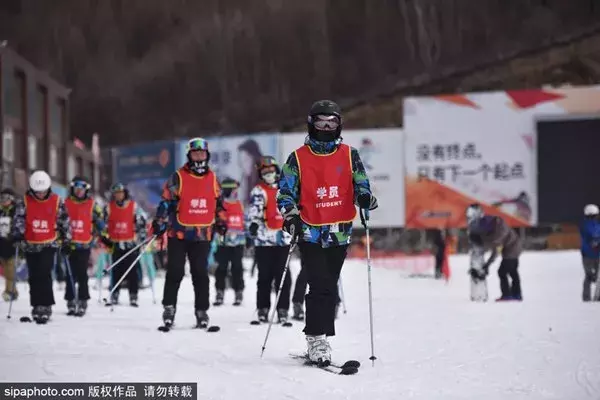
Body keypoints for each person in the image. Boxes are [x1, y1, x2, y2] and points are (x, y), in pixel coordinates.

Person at [277, 100, 377, 365]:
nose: (326, 126)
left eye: (331, 122)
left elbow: (361, 183)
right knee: (319, 283)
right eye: (320, 121)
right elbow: (285, 191)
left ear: (339, 124)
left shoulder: (349, 154)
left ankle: (321, 336)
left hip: (339, 230)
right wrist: (291, 216)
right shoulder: (297, 157)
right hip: (310, 230)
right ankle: (316, 338)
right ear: (311, 124)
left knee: (328, 285)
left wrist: (365, 198)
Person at [152, 137, 227, 329]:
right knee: (175, 271)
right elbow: (166, 201)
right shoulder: (178, 177)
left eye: (202, 153)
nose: (199, 157)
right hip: (178, 233)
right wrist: (159, 221)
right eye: (195, 153)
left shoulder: (213, 178)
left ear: (207, 155)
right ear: (189, 155)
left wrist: (222, 222)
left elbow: (218, 204)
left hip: (202, 234)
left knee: (200, 273)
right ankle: (169, 308)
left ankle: (202, 311)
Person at [12, 170, 72, 323]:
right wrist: (17, 235)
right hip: (30, 243)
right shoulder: (24, 201)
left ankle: (46, 305)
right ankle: (36, 305)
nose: (40, 194)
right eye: (37, 191)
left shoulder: (57, 201)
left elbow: (64, 221)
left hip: (48, 242)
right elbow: (19, 219)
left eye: (43, 191)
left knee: (44, 273)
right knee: (34, 276)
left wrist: (66, 240)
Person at [247, 156, 292, 324]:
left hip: (283, 239)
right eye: (265, 172)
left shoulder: (285, 189)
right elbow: (254, 209)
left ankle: (282, 310)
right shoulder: (258, 190)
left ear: (276, 170)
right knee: (264, 276)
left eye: (271, 171)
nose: (268, 174)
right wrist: (252, 225)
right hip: (264, 240)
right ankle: (262, 309)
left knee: (283, 276)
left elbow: (292, 208)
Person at [63, 176, 107, 316]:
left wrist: (101, 231)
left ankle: (82, 299)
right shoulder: (65, 204)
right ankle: (70, 300)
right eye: (76, 189)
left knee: (82, 273)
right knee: (70, 274)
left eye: (81, 189)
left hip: (84, 244)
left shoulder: (92, 204)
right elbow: (58, 221)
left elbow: (100, 222)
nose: (79, 192)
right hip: (69, 244)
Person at [466, 203, 522, 301]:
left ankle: (507, 295)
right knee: (513, 272)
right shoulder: (494, 222)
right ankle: (517, 294)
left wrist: (487, 264)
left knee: (502, 272)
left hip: (511, 250)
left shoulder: (498, 236)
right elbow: (486, 232)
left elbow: (495, 252)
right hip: (515, 246)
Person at [103, 182, 147, 307]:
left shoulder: (133, 206)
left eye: (121, 193)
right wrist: (104, 239)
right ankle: (114, 294)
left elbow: (142, 222)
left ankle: (133, 295)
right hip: (115, 243)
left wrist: (141, 238)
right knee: (116, 270)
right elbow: (103, 224)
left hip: (130, 244)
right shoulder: (109, 207)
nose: (118, 195)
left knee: (132, 271)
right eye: (116, 193)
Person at [214, 178, 246, 306]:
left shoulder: (239, 204)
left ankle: (238, 291)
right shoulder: (220, 204)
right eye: (232, 189)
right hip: (223, 242)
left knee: (237, 268)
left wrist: (248, 237)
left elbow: (244, 221)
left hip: (238, 242)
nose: (234, 192)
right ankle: (220, 291)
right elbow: (217, 221)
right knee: (222, 268)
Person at [579, 204, 600, 301]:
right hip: (591, 255)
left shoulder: (585, 225)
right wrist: (595, 241)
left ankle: (587, 297)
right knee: (591, 276)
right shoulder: (588, 225)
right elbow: (591, 238)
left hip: (589, 255)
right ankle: (589, 297)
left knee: (590, 276)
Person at [0, 188, 18, 301]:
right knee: (6, 270)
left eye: (6, 198)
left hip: (12, 244)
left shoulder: (15, 211)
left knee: (10, 269)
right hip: (1, 243)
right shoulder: (1, 211)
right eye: (1, 198)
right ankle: (13, 291)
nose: (3, 200)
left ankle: (9, 291)